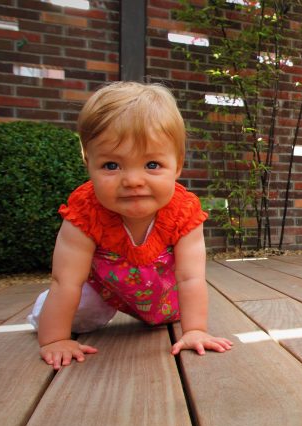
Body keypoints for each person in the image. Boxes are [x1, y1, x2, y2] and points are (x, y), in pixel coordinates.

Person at [28, 81, 233, 370]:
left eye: (152, 165)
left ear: (177, 166)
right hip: (105, 290)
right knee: (81, 310)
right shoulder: (86, 211)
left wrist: (195, 330)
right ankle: (44, 315)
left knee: (176, 312)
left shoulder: (183, 211)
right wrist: (54, 339)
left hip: (166, 296)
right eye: (112, 165)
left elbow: (191, 278)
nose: (133, 181)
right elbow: (66, 280)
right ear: (89, 164)